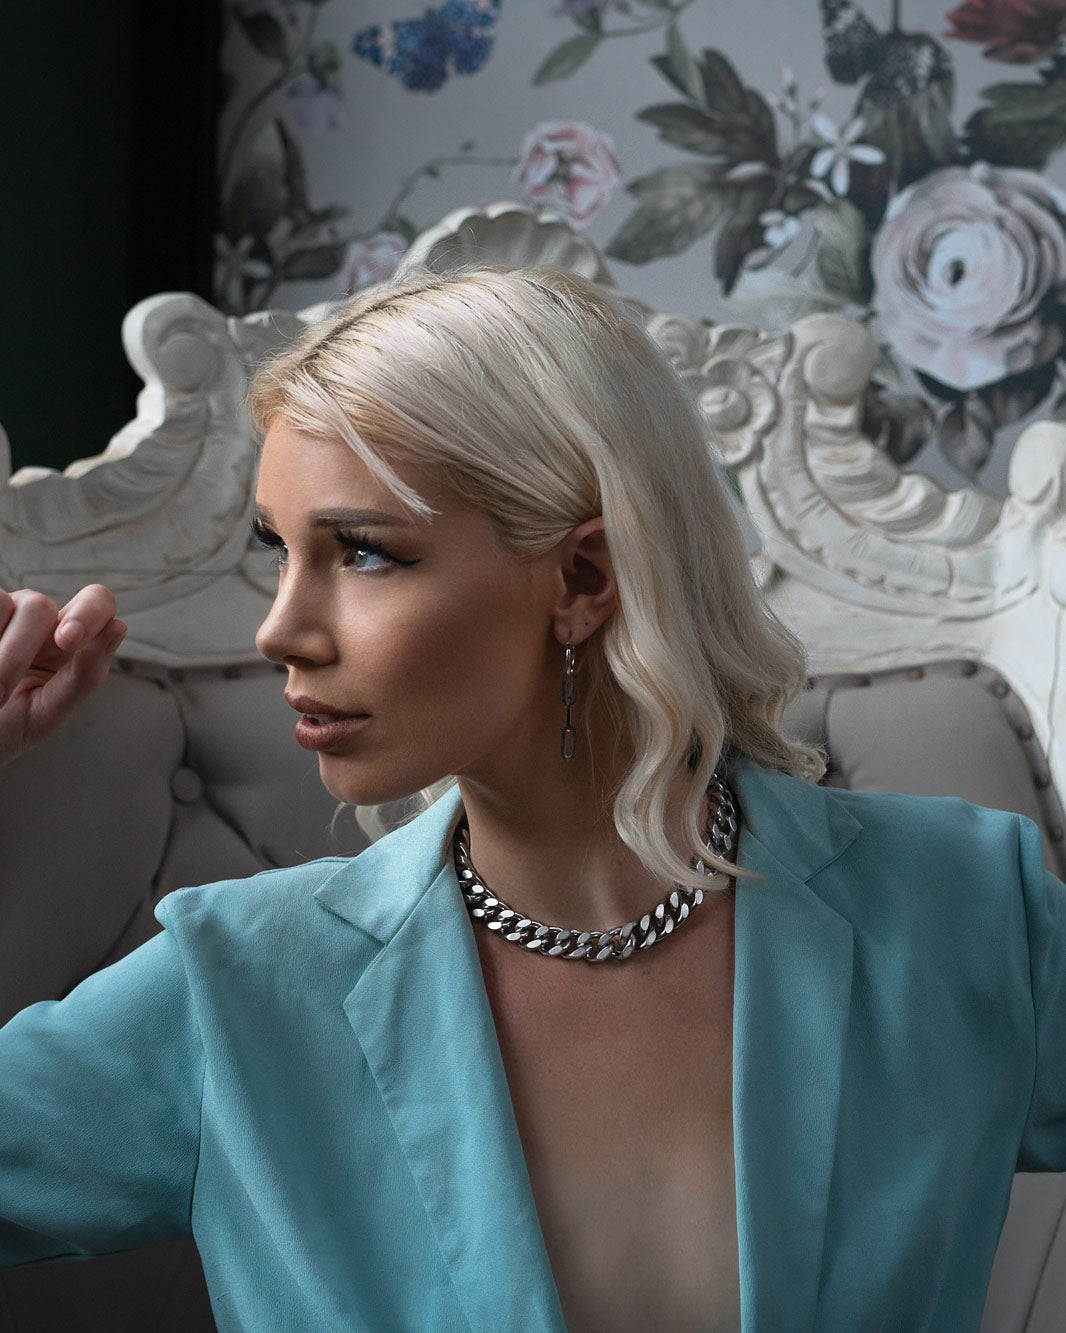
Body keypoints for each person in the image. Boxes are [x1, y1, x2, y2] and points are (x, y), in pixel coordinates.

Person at [0, 266, 1063, 1333]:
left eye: (364, 552)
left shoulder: (966, 909)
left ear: (584, 580)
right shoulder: (233, 990)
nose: (281, 629)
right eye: (282, 552)